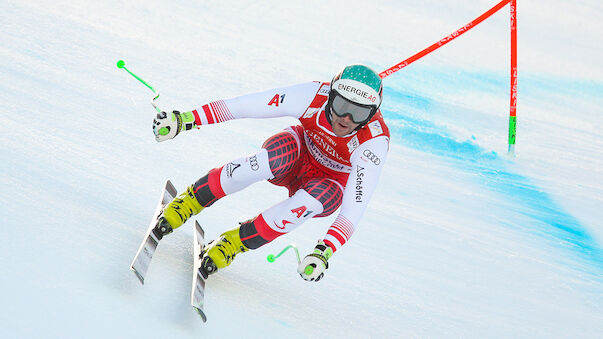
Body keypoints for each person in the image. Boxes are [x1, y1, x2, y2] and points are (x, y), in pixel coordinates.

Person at [151, 64, 389, 282]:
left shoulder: (373, 142)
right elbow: (244, 106)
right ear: (331, 95)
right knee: (268, 160)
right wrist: (186, 120)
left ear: (372, 113)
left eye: (358, 113)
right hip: (297, 153)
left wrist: (324, 250)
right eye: (341, 106)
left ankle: (232, 244)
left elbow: (354, 207)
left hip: (329, 181)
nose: (346, 119)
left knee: (310, 203)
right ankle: (188, 203)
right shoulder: (313, 95)